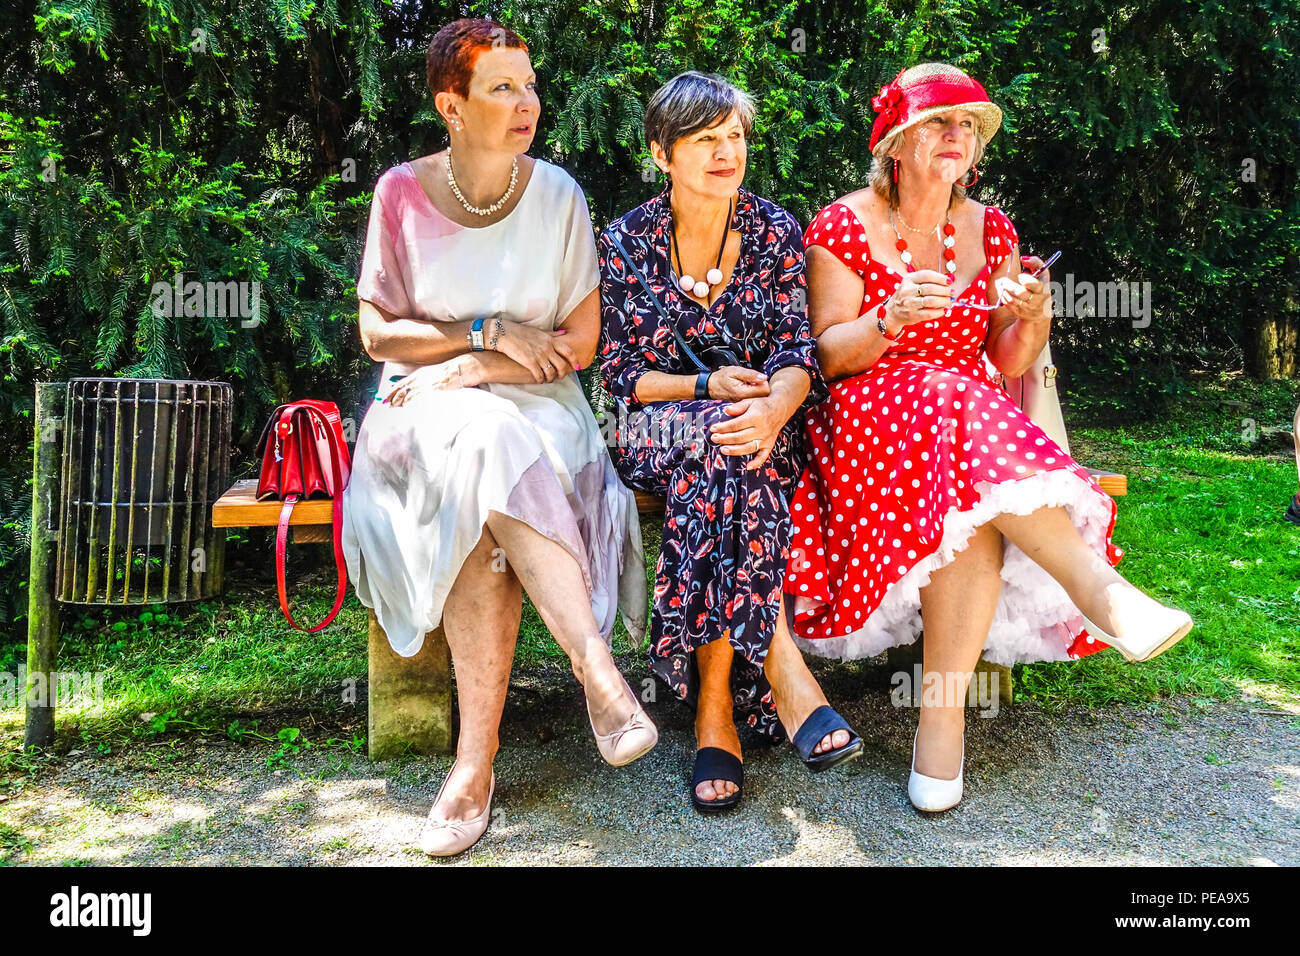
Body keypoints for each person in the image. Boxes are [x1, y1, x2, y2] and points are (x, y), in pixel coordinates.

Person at [784, 63, 1194, 812]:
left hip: (961, 436)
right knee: (952, 399)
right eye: (941, 122)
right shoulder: (841, 225)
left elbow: (1009, 358)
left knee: (967, 499)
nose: (958, 136)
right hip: (864, 423)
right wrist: (891, 317)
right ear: (898, 142)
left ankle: (941, 722)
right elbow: (825, 357)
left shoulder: (992, 227)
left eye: (969, 126)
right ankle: (1100, 591)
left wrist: (1033, 311)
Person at [343, 18, 656, 857]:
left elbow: (578, 346)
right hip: (419, 416)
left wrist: (489, 368)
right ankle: (599, 675)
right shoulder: (400, 193)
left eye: (530, 85)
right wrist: (484, 333)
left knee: (491, 469)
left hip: (541, 407)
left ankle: (473, 764)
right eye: (503, 88)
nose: (528, 104)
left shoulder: (559, 196)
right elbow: (380, 335)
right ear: (453, 104)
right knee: (479, 440)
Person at [598, 71, 862, 815]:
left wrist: (774, 412)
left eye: (735, 137)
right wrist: (708, 389)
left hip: (759, 429)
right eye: (706, 140)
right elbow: (620, 374)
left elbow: (797, 353)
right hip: (655, 427)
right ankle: (781, 669)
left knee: (731, 459)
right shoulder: (624, 242)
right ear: (662, 152)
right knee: (724, 448)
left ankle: (714, 708)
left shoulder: (777, 231)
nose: (726, 153)